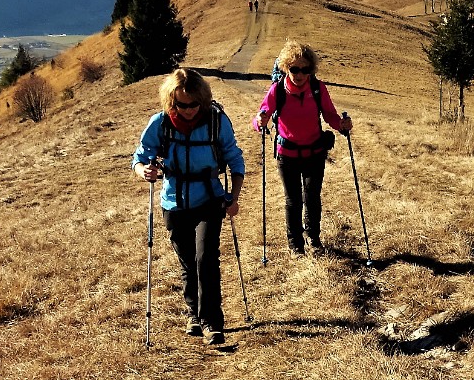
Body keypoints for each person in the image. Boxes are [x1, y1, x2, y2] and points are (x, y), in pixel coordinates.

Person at [134, 68, 245, 345]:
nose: (188, 110)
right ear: (171, 100)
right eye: (182, 104)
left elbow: (235, 158)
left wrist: (234, 196)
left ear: (203, 100)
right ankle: (193, 313)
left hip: (209, 198)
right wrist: (143, 171)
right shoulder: (160, 124)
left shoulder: (217, 122)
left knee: (205, 257)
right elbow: (140, 156)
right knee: (187, 261)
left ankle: (211, 322)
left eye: (194, 104)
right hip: (173, 202)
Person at [253, 41, 351, 256]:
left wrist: (342, 125)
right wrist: (259, 121)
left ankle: (313, 239)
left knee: (312, 198)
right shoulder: (277, 90)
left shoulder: (317, 88)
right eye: (294, 69)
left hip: (314, 153)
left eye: (304, 69)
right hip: (286, 156)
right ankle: (295, 244)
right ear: (286, 67)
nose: (299, 74)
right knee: (293, 201)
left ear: (310, 70)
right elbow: (262, 115)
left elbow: (330, 115)